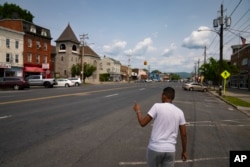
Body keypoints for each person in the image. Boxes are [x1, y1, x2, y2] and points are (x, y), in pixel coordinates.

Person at [133, 87, 187, 167]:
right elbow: (184, 134)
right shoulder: (180, 112)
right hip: (170, 150)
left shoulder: (157, 106)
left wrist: (138, 110)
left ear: (164, 96)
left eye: (162, 95)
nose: (161, 97)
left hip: (155, 148)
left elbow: (142, 123)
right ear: (173, 98)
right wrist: (184, 151)